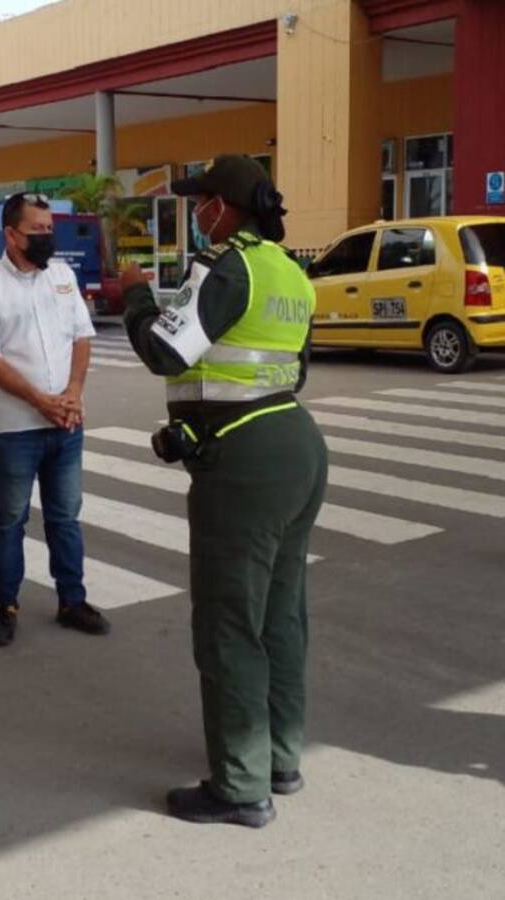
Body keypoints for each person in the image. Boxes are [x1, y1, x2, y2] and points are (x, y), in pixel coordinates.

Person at [122, 155, 327, 828]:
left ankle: (240, 787)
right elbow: (288, 371)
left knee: (228, 623)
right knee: (280, 615)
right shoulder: (292, 273)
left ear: (223, 205)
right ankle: (279, 758)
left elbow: (166, 353)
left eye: (200, 199)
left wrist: (137, 296)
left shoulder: (225, 265)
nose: (195, 211)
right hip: (295, 444)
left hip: (246, 464)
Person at [0, 192, 110, 647]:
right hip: (14, 430)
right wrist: (39, 401)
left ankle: (71, 600)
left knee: (66, 517)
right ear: (10, 234)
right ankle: (4, 606)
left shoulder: (62, 275)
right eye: (37, 231)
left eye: (50, 230)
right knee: (9, 519)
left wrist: (72, 394)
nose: (47, 238)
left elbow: (82, 337)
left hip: (65, 423)